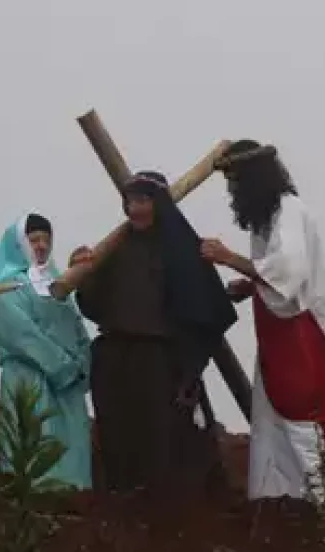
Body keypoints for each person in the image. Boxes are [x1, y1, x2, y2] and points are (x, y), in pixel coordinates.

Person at [71, 170, 234, 497]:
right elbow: (92, 305)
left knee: (159, 441)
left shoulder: (184, 251)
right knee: (116, 434)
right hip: (114, 355)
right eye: (130, 201)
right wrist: (84, 273)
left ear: (159, 204)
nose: (136, 209)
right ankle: (120, 504)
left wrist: (186, 366)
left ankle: (161, 512)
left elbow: (206, 310)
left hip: (159, 360)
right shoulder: (114, 248)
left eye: (143, 200)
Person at [198, 140, 325, 503]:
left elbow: (289, 271)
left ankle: (316, 507)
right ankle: (276, 503)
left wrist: (229, 258)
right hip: (278, 331)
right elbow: (275, 272)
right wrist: (250, 285)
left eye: (235, 183)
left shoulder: (289, 210)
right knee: (271, 422)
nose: (232, 192)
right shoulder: (268, 219)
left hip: (300, 333)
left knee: (299, 412)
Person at [0, 211, 93, 490]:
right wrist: (63, 366)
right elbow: (22, 336)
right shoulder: (9, 287)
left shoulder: (58, 285)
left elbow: (78, 331)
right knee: (35, 454)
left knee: (71, 457)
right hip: (30, 380)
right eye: (34, 240)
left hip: (66, 389)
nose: (41, 246)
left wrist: (83, 366)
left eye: (46, 240)